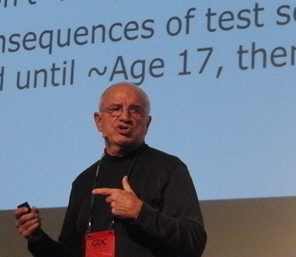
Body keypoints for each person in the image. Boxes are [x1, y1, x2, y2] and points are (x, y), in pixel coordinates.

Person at [13, 82, 206, 257]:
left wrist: (140, 212)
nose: (125, 117)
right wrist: (37, 239)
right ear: (99, 121)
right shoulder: (83, 182)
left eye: (135, 110)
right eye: (115, 109)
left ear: (147, 123)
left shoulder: (169, 168)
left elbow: (194, 242)